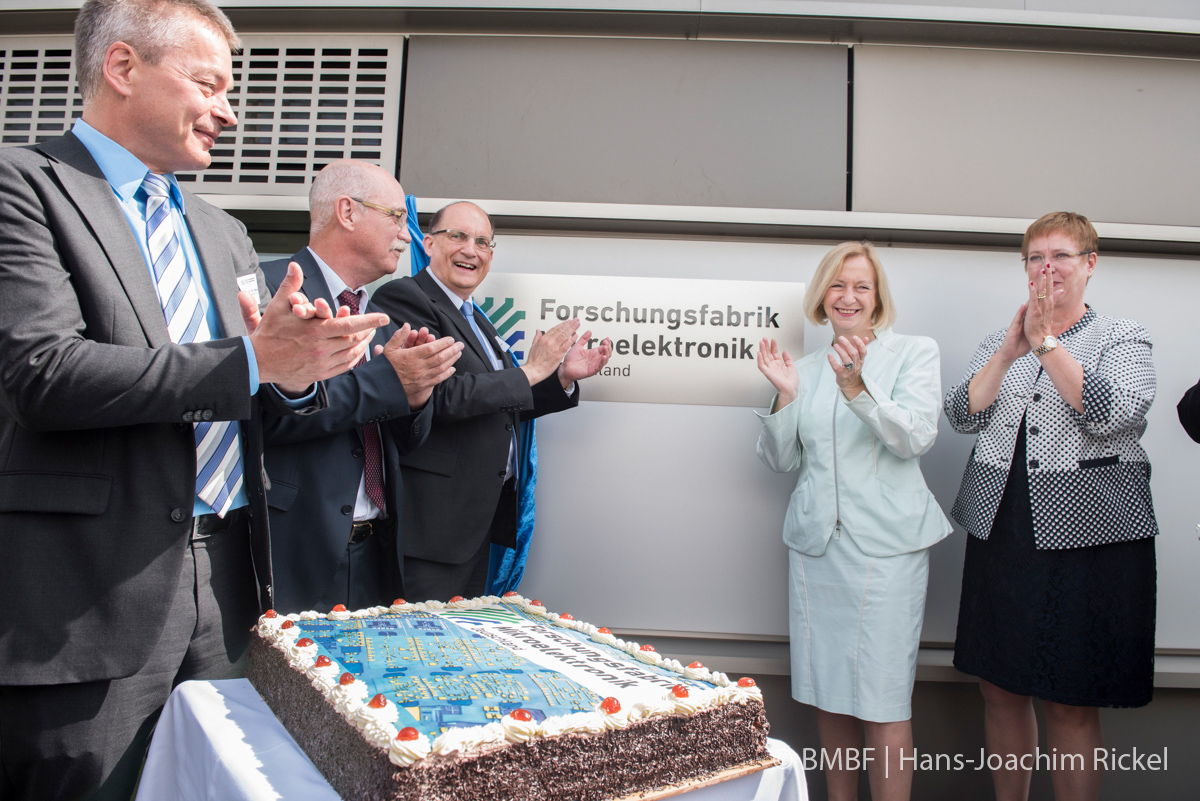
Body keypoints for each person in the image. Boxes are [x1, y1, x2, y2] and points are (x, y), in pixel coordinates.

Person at [0, 1, 390, 798]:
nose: (230, 112)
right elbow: (45, 374)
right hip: (85, 601)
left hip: (224, 590)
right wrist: (252, 358)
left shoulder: (224, 232)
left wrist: (298, 368)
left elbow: (254, 400)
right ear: (122, 67)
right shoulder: (24, 187)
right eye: (209, 84)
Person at [945, 211, 1157, 801]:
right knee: (1000, 688)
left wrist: (1047, 345)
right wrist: (1010, 353)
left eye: (1061, 256)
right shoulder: (999, 339)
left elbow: (1116, 414)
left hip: (1090, 539)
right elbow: (962, 415)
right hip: (1003, 532)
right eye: (1035, 257)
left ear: (1090, 264)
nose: (1047, 268)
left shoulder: (1123, 337)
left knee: (1070, 697)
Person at [755, 241, 951, 801]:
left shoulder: (914, 352)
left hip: (887, 553)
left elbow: (914, 437)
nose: (848, 296)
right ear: (822, 295)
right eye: (837, 285)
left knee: (884, 700)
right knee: (828, 696)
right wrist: (785, 398)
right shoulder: (806, 367)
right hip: (819, 553)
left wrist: (858, 390)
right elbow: (781, 461)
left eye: (861, 286)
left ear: (878, 297)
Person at [369, 201, 613, 601]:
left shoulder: (474, 316)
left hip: (475, 522)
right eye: (458, 236)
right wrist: (531, 370)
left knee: (458, 648)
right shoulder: (406, 298)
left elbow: (502, 401)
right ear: (427, 243)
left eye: (483, 242)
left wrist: (562, 377)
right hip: (432, 527)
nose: (471, 250)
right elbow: (439, 395)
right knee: (421, 648)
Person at [260, 161, 464, 614]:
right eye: (395, 217)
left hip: (374, 551)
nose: (407, 236)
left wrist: (415, 395)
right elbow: (270, 418)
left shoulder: (371, 311)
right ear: (347, 213)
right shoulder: (272, 291)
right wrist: (389, 379)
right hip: (297, 550)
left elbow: (402, 440)